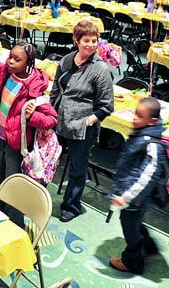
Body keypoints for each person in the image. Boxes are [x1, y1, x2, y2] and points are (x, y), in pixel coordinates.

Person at [0, 43, 57, 228]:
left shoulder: (34, 89)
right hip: (3, 135)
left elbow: (51, 119)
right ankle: (2, 216)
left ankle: (16, 226)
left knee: (13, 185)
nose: (10, 61)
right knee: (2, 178)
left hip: (18, 144)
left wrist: (32, 116)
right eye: (10, 57)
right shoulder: (6, 72)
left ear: (29, 63)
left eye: (17, 59)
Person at [50, 20, 114, 222]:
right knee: (47, 158)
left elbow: (107, 106)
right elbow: (56, 89)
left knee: (77, 169)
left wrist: (88, 121)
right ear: (76, 40)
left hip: (82, 127)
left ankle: (71, 206)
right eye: (86, 40)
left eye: (94, 41)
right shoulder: (67, 60)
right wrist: (50, 113)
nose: (91, 45)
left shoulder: (100, 69)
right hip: (59, 120)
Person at [108, 97, 165, 275]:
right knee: (135, 223)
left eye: (140, 116)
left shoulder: (152, 144)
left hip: (135, 197)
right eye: (135, 113)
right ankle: (150, 248)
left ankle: (132, 262)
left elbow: (146, 177)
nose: (134, 118)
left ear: (152, 121)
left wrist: (126, 197)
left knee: (130, 228)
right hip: (131, 193)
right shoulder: (143, 133)